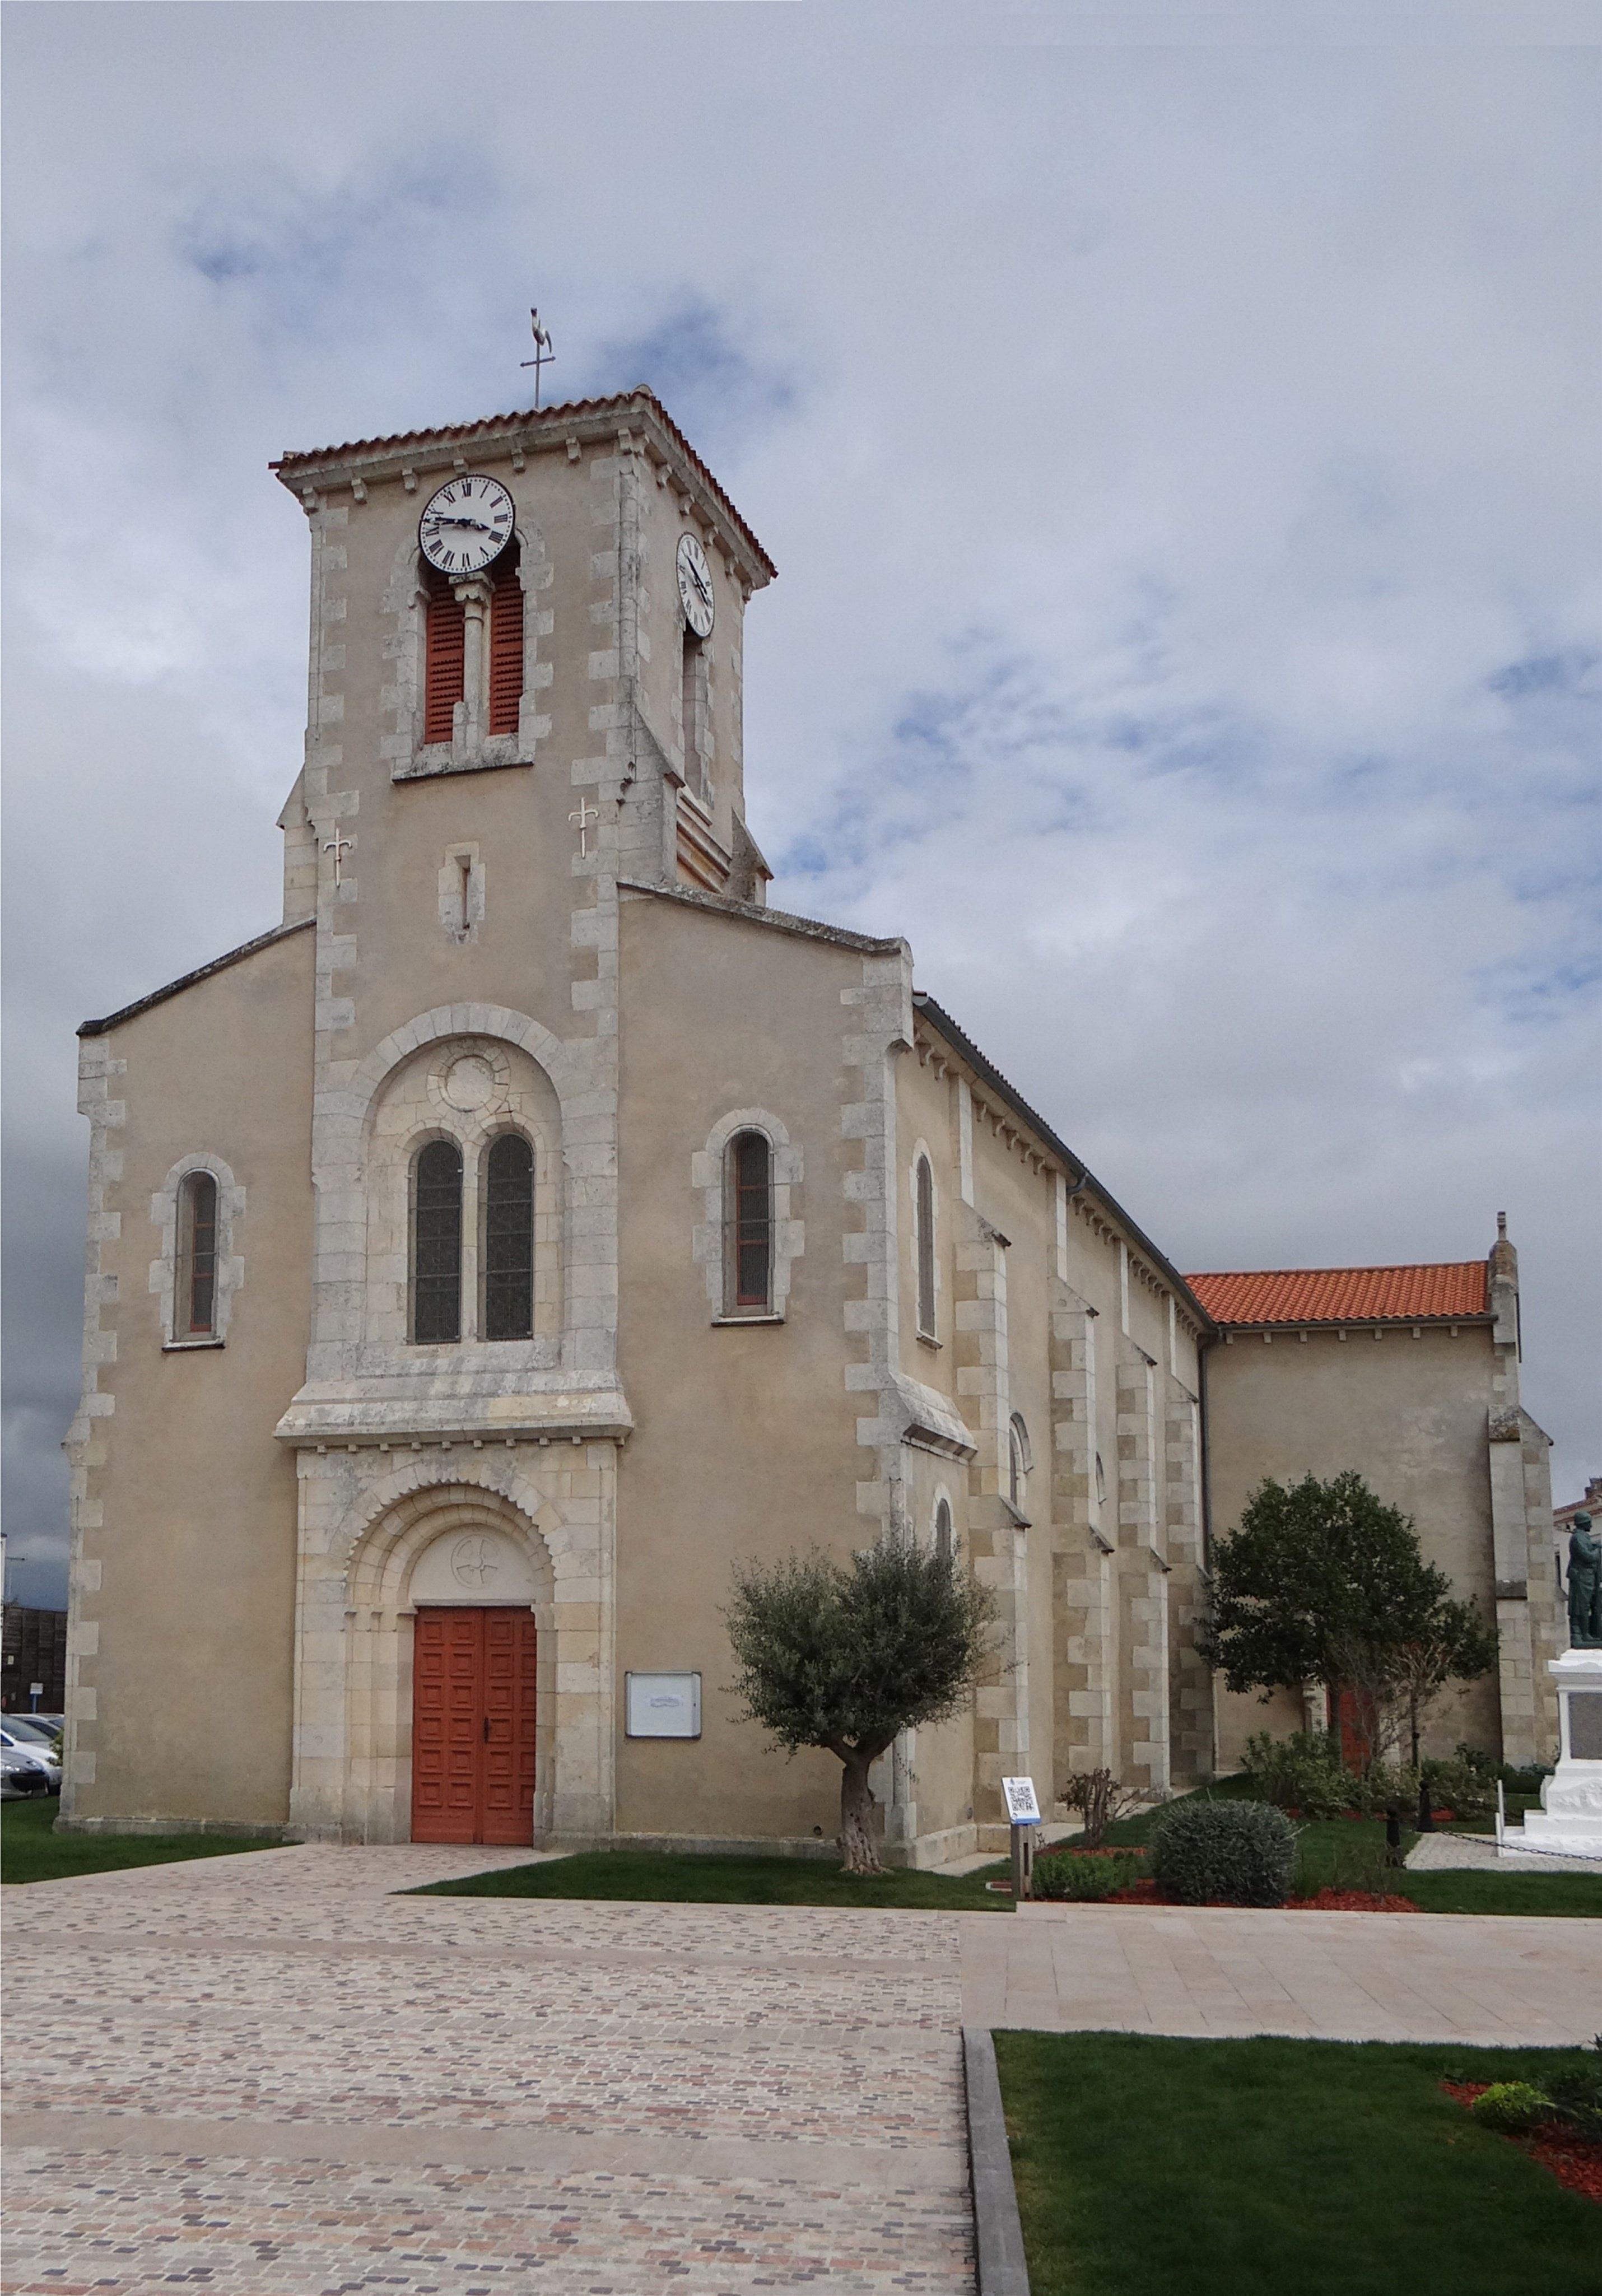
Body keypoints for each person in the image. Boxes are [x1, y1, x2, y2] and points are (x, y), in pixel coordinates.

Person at [1566, 1511, 1602, 1648]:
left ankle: (1589, 1633)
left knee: (1589, 1605)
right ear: (1584, 1523)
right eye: (1589, 1522)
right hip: (1581, 1577)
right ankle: (1583, 1634)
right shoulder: (1577, 1539)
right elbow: (1587, 1557)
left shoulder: (1584, 1538)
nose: (1591, 1525)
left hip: (1589, 1577)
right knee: (1582, 1606)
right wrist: (1597, 1551)